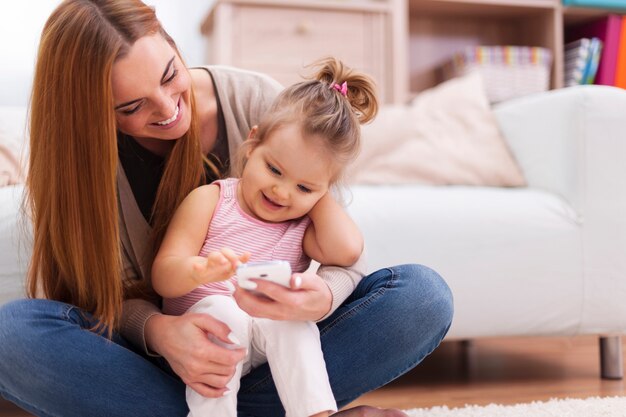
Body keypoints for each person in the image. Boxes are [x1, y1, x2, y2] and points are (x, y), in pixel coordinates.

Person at [0, 1, 453, 416]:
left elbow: (346, 257)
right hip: (155, 360)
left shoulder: (256, 100)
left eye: (168, 75)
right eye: (132, 107)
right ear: (91, 111)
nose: (167, 110)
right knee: (10, 335)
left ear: (173, 44)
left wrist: (322, 296)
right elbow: (102, 299)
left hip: (268, 348)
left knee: (423, 297)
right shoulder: (80, 166)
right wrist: (161, 333)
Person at [152, 57, 377, 417]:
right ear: (252, 143)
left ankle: (315, 412)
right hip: (199, 343)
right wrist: (199, 271)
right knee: (226, 310)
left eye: (303, 186)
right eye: (274, 168)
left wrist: (318, 195)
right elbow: (163, 275)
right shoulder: (212, 199)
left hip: (265, 356)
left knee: (293, 321)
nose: (282, 192)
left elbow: (348, 250)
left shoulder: (302, 224)